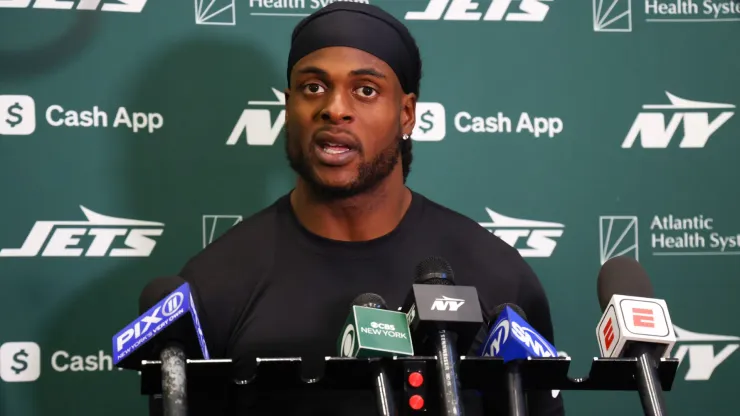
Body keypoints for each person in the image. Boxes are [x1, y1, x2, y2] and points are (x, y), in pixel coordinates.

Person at [179, 2, 564, 415]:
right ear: (289, 107)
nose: (335, 108)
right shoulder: (214, 285)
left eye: (365, 90)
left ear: (406, 114)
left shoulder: (498, 276)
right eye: (313, 87)